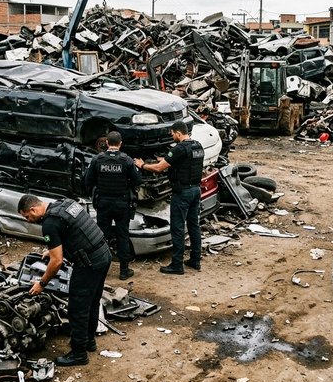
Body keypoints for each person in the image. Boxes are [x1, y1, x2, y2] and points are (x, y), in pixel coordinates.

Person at [18, 194, 111, 367]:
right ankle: (88, 341)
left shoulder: (50, 223)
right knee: (92, 301)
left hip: (89, 264)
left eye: (27, 216)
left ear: (33, 209)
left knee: (77, 309)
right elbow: (74, 232)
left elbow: (57, 262)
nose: (28, 220)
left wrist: (41, 284)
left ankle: (79, 354)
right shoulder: (64, 204)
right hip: (103, 254)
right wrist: (52, 250)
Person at [134, 120, 205, 275]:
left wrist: (142, 165)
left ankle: (177, 265)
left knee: (177, 228)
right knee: (194, 226)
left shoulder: (179, 148)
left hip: (182, 193)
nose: (172, 137)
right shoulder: (197, 146)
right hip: (195, 190)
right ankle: (195, 260)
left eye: (172, 134)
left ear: (178, 133)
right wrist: (166, 159)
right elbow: (185, 163)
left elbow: (159, 169)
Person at [84, 131, 142, 280]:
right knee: (123, 236)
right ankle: (124, 270)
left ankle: (100, 269)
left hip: (103, 203)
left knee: (101, 237)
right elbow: (137, 181)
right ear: (120, 144)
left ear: (107, 143)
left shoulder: (97, 159)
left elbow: (88, 180)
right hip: (122, 204)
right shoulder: (126, 160)